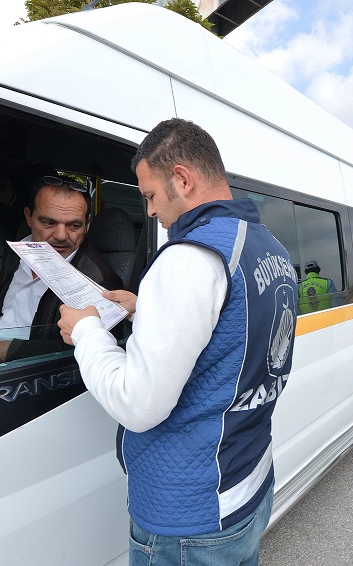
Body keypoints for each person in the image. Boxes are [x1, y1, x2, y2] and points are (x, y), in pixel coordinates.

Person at [57, 118, 298, 565]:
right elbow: (233, 337)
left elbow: (138, 404)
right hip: (247, 483)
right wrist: (146, 308)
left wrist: (87, 331)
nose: (148, 211)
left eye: (149, 195)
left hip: (189, 514)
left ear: (182, 179)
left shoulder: (189, 259)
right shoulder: (269, 248)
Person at [0, 174, 122, 361]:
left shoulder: (98, 281)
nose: (62, 235)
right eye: (49, 223)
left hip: (24, 372)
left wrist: (6, 350)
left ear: (86, 225)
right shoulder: (19, 249)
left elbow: (88, 352)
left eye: (74, 225)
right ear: (29, 217)